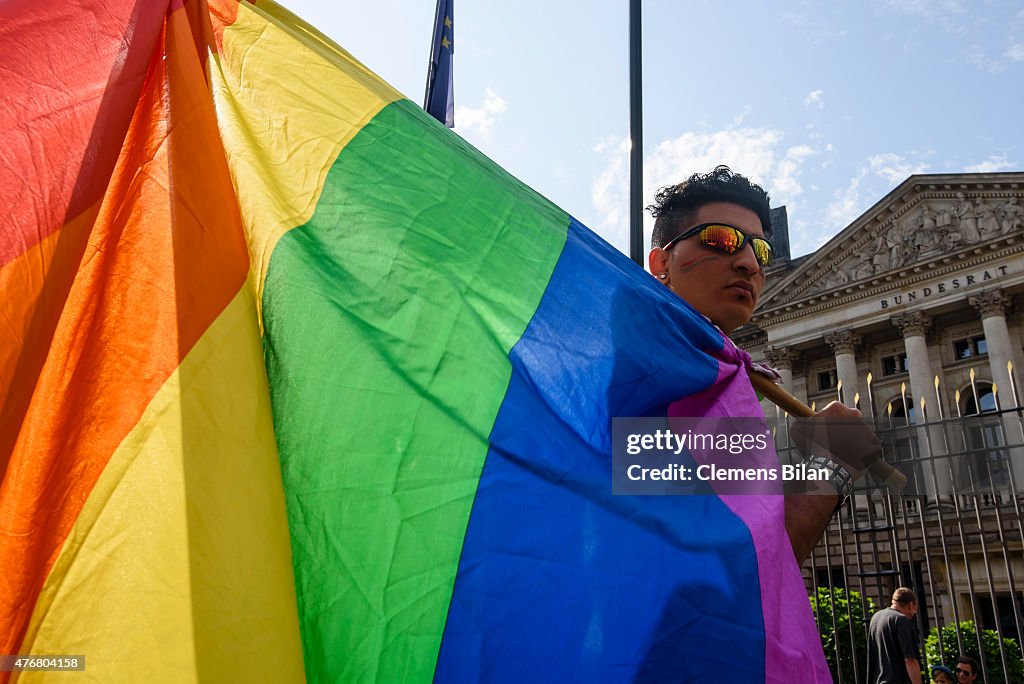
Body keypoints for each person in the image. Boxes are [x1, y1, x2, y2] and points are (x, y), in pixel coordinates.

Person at [647, 165, 879, 562]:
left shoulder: (716, 373)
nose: (750, 264)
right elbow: (741, 565)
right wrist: (832, 467)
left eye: (760, 250)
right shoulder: (646, 374)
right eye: (721, 240)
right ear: (661, 264)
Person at [867, 587, 922, 683]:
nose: (914, 613)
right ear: (910, 605)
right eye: (915, 608)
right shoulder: (901, 620)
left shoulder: (876, 617)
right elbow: (910, 660)